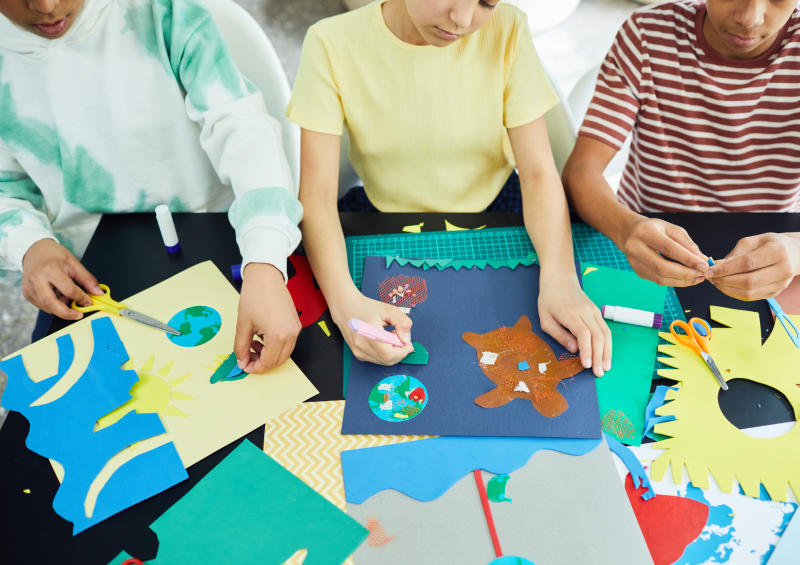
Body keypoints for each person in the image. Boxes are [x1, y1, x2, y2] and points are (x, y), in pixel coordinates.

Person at [288, 0, 611, 377]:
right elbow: (315, 196)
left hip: (500, 205)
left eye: (487, 2)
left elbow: (539, 173)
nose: (461, 19)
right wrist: (345, 306)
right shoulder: (330, 42)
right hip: (384, 214)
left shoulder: (508, 28)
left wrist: (561, 278)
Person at [0, 0, 302, 372]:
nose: (46, 6)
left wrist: (265, 263)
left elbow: (248, 137)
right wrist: (29, 245)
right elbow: (5, 192)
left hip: (222, 241)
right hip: (84, 271)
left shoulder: (164, 14)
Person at [563, 0, 800, 301]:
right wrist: (625, 228)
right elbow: (581, 169)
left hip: (775, 256)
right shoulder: (647, 35)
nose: (750, 18)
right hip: (645, 246)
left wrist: (795, 250)